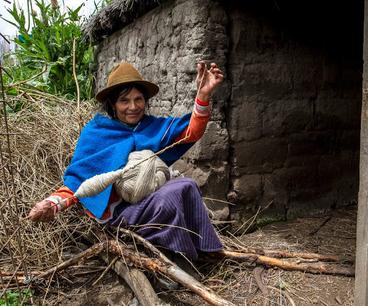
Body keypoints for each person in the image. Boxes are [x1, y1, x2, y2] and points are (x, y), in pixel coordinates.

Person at [28, 60, 225, 264]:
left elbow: (190, 133)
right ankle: (176, 259)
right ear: (113, 104)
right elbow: (79, 181)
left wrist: (203, 95)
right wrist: (53, 204)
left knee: (187, 185)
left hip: (147, 195)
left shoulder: (152, 126)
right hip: (119, 212)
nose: (133, 107)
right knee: (170, 198)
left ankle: (205, 249)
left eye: (138, 99)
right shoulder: (96, 133)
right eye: (124, 101)